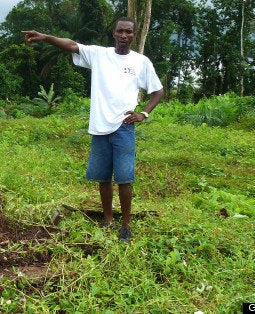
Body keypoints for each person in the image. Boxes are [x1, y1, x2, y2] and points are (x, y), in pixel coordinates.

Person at [22, 17, 164, 243]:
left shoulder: (141, 62)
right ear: (114, 33)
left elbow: (157, 91)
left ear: (134, 35)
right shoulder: (100, 55)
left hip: (123, 128)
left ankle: (125, 226)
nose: (124, 35)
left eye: (128, 32)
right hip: (99, 128)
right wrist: (45, 38)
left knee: (125, 179)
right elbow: (72, 45)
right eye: (120, 31)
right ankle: (108, 220)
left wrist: (144, 113)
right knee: (103, 178)